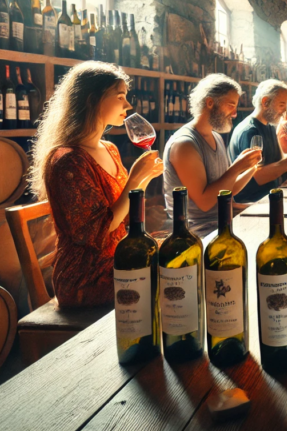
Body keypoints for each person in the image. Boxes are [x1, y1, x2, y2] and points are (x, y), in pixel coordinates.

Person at [28, 62, 164, 308]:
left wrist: (144, 179)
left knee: (183, 260)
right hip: (85, 276)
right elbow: (98, 234)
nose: (128, 105)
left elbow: (125, 214)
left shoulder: (110, 150)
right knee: (171, 280)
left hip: (121, 257)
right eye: (120, 96)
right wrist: (134, 179)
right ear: (93, 100)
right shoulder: (68, 160)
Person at [163, 74, 262, 235]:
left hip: (223, 223)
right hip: (197, 233)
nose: (235, 113)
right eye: (231, 105)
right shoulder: (184, 144)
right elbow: (205, 202)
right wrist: (237, 167)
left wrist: (251, 167)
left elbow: (228, 189)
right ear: (210, 102)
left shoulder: (215, 137)